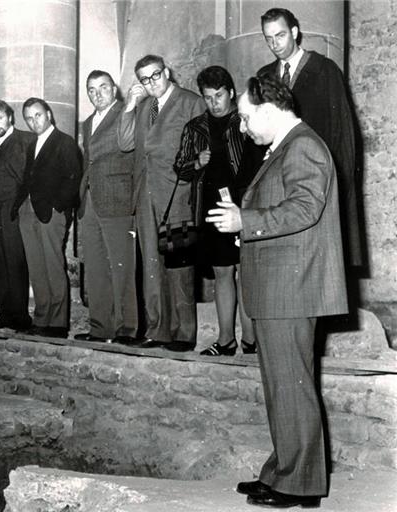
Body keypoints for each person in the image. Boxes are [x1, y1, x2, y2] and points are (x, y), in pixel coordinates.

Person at [207, 74, 347, 509]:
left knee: (291, 386)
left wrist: (246, 222)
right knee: (283, 386)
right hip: (279, 286)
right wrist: (244, 224)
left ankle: (298, 485)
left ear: (268, 109)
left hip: (292, 286)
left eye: (247, 118)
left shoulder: (304, 145)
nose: (243, 127)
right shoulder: (286, 146)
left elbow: (306, 208)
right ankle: (283, 472)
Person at [258, 7, 361, 267]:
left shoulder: (325, 71)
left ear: (294, 32)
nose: (275, 44)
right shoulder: (264, 76)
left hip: (316, 179)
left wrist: (341, 186)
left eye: (280, 36)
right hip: (278, 183)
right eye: (268, 38)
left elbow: (343, 135)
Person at [118, 55, 206, 351]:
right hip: (146, 196)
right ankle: (158, 330)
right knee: (151, 266)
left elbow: (204, 149)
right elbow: (126, 144)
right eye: (144, 79)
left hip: (177, 194)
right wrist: (129, 106)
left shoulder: (190, 102)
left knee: (179, 266)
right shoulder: (143, 108)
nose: (151, 83)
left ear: (167, 72)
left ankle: (184, 332)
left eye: (155, 75)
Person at [173, 66, 258, 356]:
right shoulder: (195, 127)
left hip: (247, 205)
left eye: (219, 95)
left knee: (247, 272)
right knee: (223, 273)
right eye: (208, 97)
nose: (214, 102)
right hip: (212, 208)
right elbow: (179, 168)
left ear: (231, 93)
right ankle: (226, 341)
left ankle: (251, 341)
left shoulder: (247, 120)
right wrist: (197, 162)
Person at [74, 70, 138, 344]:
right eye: (91, 89)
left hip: (117, 198)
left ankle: (127, 329)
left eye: (103, 87)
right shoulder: (88, 122)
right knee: (96, 267)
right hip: (89, 201)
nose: (97, 94)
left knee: (122, 268)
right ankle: (100, 328)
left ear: (114, 89)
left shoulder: (127, 112)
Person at [18, 97, 82, 338]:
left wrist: (58, 207)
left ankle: (57, 323)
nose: (34, 121)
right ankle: (42, 318)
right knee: (36, 267)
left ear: (49, 115)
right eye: (29, 118)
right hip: (28, 212)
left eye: (38, 115)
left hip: (50, 214)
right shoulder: (32, 144)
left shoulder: (64, 142)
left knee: (53, 265)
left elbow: (73, 179)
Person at [0, 99, 35, 331]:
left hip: (13, 212)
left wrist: (18, 208)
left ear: (10, 117)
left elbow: (28, 179)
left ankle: (20, 317)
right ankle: (5, 315)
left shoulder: (25, 140)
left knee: (15, 265)